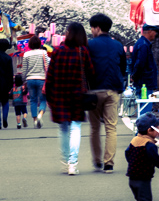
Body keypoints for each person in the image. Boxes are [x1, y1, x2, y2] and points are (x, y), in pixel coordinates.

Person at [45, 23, 95, 175]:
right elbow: (91, 73)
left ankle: (65, 161)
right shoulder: (83, 51)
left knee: (63, 128)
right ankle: (73, 163)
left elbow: (50, 75)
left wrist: (48, 95)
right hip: (77, 94)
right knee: (75, 128)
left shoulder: (58, 51)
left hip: (59, 94)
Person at [87, 13, 127, 173]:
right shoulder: (118, 45)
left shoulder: (90, 45)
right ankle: (108, 163)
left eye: (91, 27)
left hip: (94, 90)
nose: (91, 30)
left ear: (97, 27)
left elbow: (86, 67)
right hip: (113, 89)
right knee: (111, 127)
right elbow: (123, 67)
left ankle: (97, 161)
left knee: (95, 127)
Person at [125, 114, 159, 201]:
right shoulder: (149, 144)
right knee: (146, 198)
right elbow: (155, 158)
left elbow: (127, 152)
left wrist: (132, 162)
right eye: (158, 128)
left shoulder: (135, 139)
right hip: (143, 176)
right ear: (150, 130)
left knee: (139, 197)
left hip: (132, 175)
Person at [21, 35, 49, 128]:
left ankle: (35, 120)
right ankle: (40, 114)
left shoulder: (26, 54)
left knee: (33, 100)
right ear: (39, 44)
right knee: (43, 100)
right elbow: (47, 66)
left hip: (30, 80)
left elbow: (24, 70)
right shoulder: (43, 52)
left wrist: (24, 81)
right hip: (42, 79)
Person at [130, 24, 159, 114]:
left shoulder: (142, 43)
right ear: (149, 31)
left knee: (144, 107)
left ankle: (143, 126)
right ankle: (144, 127)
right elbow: (140, 63)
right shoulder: (143, 45)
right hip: (145, 83)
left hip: (143, 82)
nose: (155, 34)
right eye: (154, 31)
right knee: (145, 108)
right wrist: (134, 76)